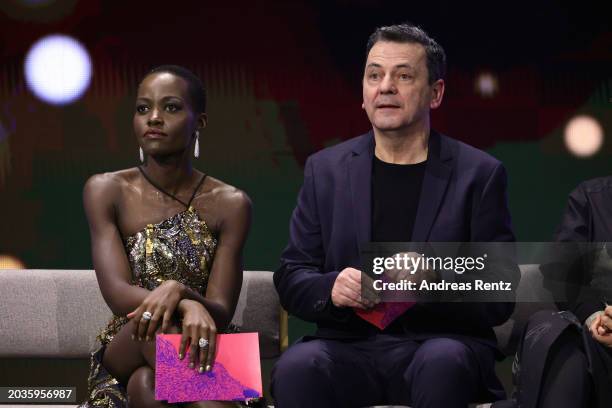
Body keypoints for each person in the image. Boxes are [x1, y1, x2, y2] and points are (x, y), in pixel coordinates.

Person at [271, 23, 519, 408]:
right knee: (297, 366)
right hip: (348, 347)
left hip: (437, 344)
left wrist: (436, 278)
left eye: (403, 76)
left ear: (435, 93)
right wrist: (331, 287)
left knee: (444, 361)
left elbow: (500, 288)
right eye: (374, 75)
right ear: (364, 92)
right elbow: (291, 275)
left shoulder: (479, 174)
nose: (385, 86)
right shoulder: (326, 170)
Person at [79, 65, 252, 408]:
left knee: (146, 386)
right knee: (156, 328)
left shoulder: (231, 203)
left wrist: (181, 294)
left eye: (170, 107)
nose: (154, 118)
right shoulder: (106, 190)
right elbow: (117, 294)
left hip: (203, 339)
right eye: (143, 108)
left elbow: (220, 311)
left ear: (199, 122)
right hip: (131, 336)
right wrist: (183, 298)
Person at [511, 177, 612, 408]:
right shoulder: (592, 198)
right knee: (558, 342)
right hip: (596, 334)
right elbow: (561, 270)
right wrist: (594, 315)